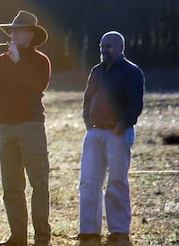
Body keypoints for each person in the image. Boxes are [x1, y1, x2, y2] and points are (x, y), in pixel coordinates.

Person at [0, 11, 52, 246]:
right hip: (6, 128)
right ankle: (18, 237)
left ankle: (42, 237)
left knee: (38, 183)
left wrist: (19, 62)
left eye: (18, 31)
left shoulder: (40, 60)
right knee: (11, 187)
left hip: (31, 126)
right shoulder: (3, 58)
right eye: (12, 31)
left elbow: (37, 86)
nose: (13, 35)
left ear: (30, 35)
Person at [76, 31, 144, 246]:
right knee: (88, 182)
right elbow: (87, 100)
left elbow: (135, 105)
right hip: (94, 133)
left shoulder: (131, 72)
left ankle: (118, 231)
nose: (105, 50)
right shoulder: (96, 71)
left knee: (116, 181)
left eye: (110, 46)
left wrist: (119, 127)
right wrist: (89, 124)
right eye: (102, 46)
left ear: (121, 48)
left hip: (118, 134)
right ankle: (88, 231)